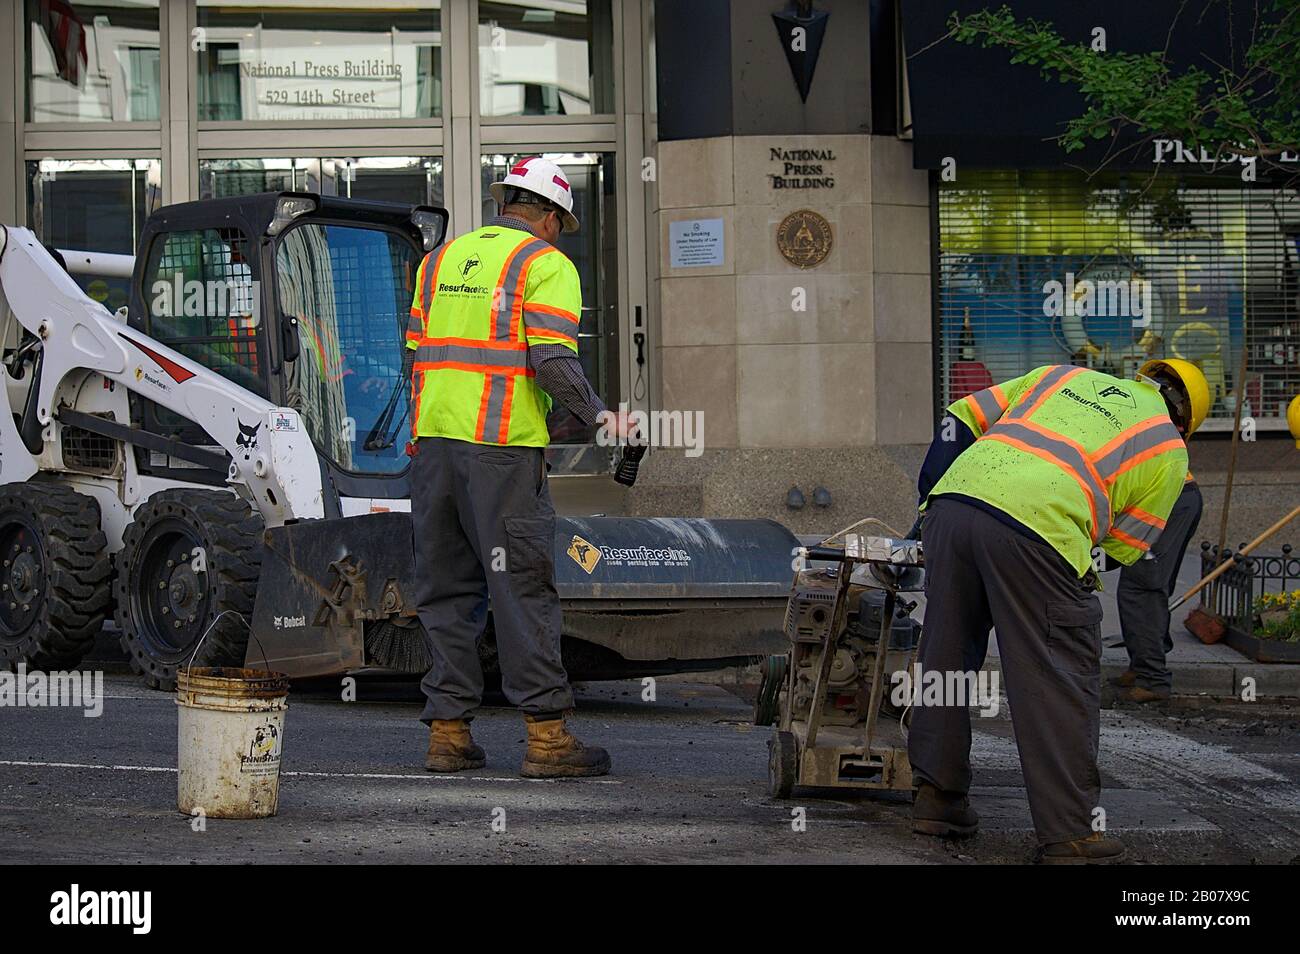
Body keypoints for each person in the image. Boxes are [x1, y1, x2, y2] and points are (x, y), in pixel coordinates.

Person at [908, 361, 1205, 863]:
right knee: (1055, 676)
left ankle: (937, 798)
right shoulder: (1168, 448)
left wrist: (927, 506)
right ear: (1185, 421)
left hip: (953, 506)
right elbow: (1127, 548)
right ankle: (1069, 832)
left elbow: (958, 419)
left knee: (946, 656)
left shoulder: (1060, 376)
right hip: (1040, 531)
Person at [406, 156, 629, 778]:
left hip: (434, 449)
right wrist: (599, 416)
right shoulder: (545, 264)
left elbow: (425, 359)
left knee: (447, 591)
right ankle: (548, 740)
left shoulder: (440, 261)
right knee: (521, 588)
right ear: (552, 217)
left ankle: (448, 736)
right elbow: (552, 361)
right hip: (500, 452)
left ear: (507, 203)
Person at [1112, 360, 1209, 703]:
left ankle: (1153, 680)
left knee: (1143, 587)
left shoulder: (1159, 417)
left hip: (1172, 501)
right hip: (1170, 500)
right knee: (1139, 586)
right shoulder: (1151, 412)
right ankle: (1142, 665)